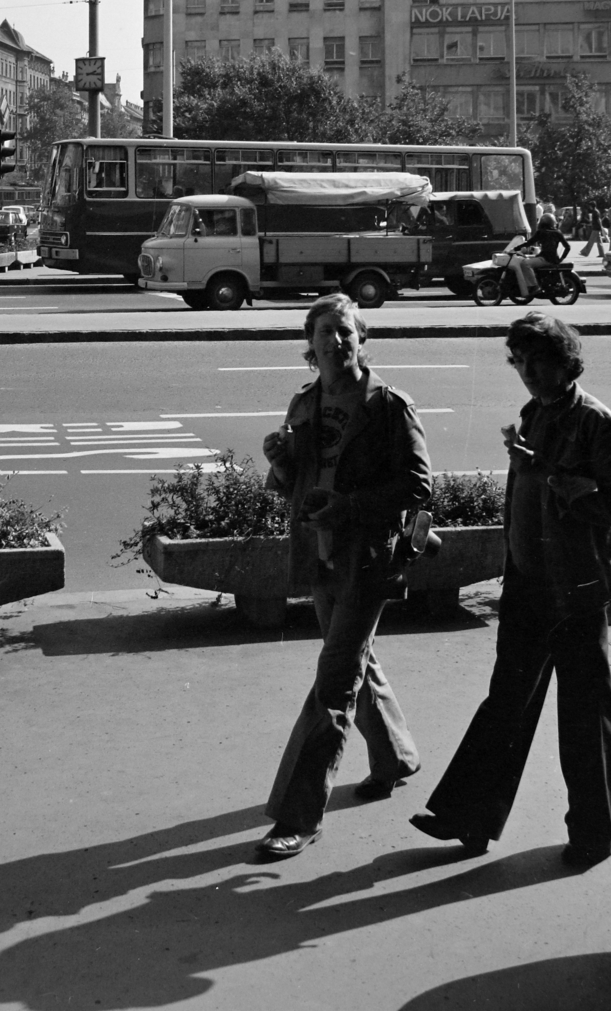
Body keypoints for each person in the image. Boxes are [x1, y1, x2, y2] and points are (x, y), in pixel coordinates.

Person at [409, 313, 611, 867]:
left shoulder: (596, 421)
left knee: (583, 713)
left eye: (538, 360)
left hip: (576, 589)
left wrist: (553, 474)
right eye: (520, 361)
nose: (528, 372)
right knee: (506, 700)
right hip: (530, 582)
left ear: (565, 362)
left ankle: (596, 834)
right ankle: (468, 817)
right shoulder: (534, 414)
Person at [253, 293, 431, 861]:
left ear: (362, 341)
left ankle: (299, 815)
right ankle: (396, 757)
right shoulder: (304, 404)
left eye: (346, 332)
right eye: (325, 333)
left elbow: (418, 486)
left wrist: (349, 508)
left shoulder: (388, 406)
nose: (336, 342)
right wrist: (280, 463)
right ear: (311, 347)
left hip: (367, 558)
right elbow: (292, 483)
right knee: (356, 661)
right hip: (317, 555)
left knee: (334, 682)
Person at [508, 213, 570, 300]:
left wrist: (516, 248)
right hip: (552, 259)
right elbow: (568, 247)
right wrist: (561, 259)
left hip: (545, 259)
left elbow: (529, 242)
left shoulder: (541, 232)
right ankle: (532, 283)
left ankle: (535, 286)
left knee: (525, 263)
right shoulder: (557, 233)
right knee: (526, 260)